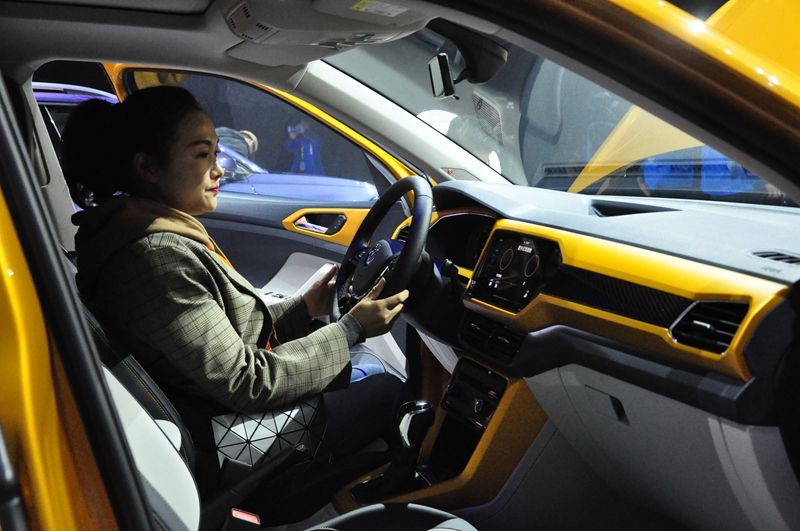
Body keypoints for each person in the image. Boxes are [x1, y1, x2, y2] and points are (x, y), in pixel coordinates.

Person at [61, 86, 407, 502]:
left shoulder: (153, 233)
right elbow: (247, 382)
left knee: (363, 366)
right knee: (385, 387)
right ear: (148, 168)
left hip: (212, 410)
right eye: (201, 154)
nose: (219, 169)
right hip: (219, 441)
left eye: (216, 152)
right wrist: (350, 329)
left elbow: (226, 334)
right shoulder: (152, 257)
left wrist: (304, 308)